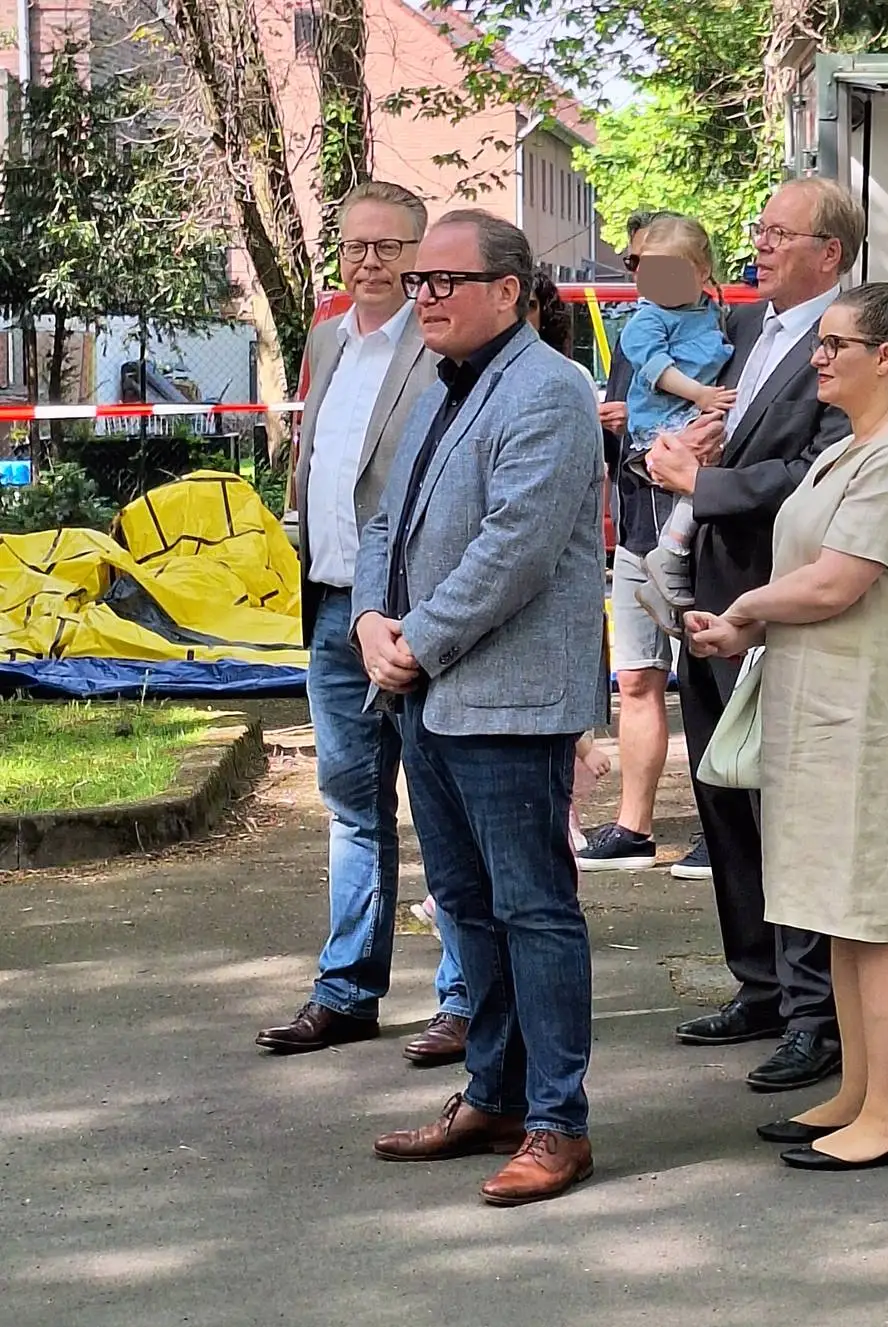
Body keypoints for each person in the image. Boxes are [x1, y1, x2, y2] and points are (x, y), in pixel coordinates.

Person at [355, 211, 605, 1207]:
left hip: (506, 701)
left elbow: (517, 550)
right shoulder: (440, 386)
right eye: (419, 281)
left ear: (510, 291)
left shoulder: (548, 390)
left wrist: (416, 640)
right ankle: (494, 1096)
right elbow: (387, 518)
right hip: (432, 694)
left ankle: (559, 1124)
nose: (424, 296)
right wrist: (372, 618)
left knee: (534, 912)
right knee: (467, 909)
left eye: (445, 281)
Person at [687, 283, 888, 1170]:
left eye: (838, 344)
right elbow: (807, 573)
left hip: (876, 717)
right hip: (824, 709)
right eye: (821, 343)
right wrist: (745, 623)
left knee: (879, 917)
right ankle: (856, 1094)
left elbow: (838, 582)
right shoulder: (849, 451)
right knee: (840, 914)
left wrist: (747, 607)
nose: (818, 357)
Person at [645, 177, 867, 1093]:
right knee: (724, 800)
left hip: (776, 603)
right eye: (759, 229)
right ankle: (761, 984)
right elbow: (726, 444)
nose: (760, 245)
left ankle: (817, 1014)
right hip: (708, 596)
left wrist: (705, 486)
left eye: (780, 233)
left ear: (831, 252)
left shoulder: (852, 338)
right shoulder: (746, 331)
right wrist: (677, 457)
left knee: (788, 812)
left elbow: (820, 469)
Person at [255, 181, 472, 1069]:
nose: (371, 263)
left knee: (445, 809)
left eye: (390, 249)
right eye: (356, 246)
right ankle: (347, 992)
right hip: (335, 609)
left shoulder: (445, 345)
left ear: (421, 260)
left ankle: (463, 999)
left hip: (416, 612)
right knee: (351, 809)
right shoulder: (327, 337)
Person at [580, 210, 710, 881]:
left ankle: (724, 830)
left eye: (647, 265)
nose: (635, 276)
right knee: (636, 677)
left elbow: (725, 420)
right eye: (632, 265)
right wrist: (613, 423)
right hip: (635, 530)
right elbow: (623, 433)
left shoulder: (723, 335)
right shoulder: (636, 334)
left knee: (710, 681)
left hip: (698, 536)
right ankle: (633, 827)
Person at [617, 215, 736, 630]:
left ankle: (670, 563)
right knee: (697, 478)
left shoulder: (708, 312)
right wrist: (701, 395)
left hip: (694, 413)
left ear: (702, 272)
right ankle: (668, 554)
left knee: (709, 479)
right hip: (663, 423)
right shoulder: (648, 318)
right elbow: (655, 367)